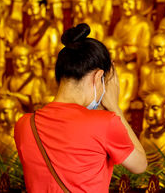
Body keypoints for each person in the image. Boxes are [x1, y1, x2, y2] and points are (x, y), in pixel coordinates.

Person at [14, 23, 147, 192]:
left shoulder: (24, 125)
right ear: (98, 76)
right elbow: (140, 164)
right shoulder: (104, 123)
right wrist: (115, 107)